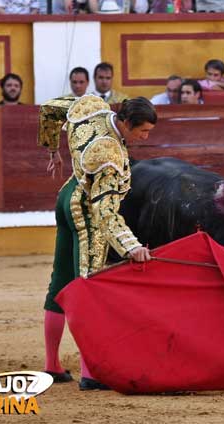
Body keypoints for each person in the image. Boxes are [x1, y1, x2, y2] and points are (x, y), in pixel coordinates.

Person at [38, 95, 156, 390]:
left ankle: (52, 365)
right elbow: (105, 212)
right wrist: (131, 246)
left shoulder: (92, 108)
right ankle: (91, 372)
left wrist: (53, 149)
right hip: (87, 211)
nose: (145, 137)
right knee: (87, 288)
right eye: (142, 131)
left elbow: (50, 109)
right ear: (126, 124)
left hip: (67, 196)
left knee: (61, 282)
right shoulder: (109, 156)